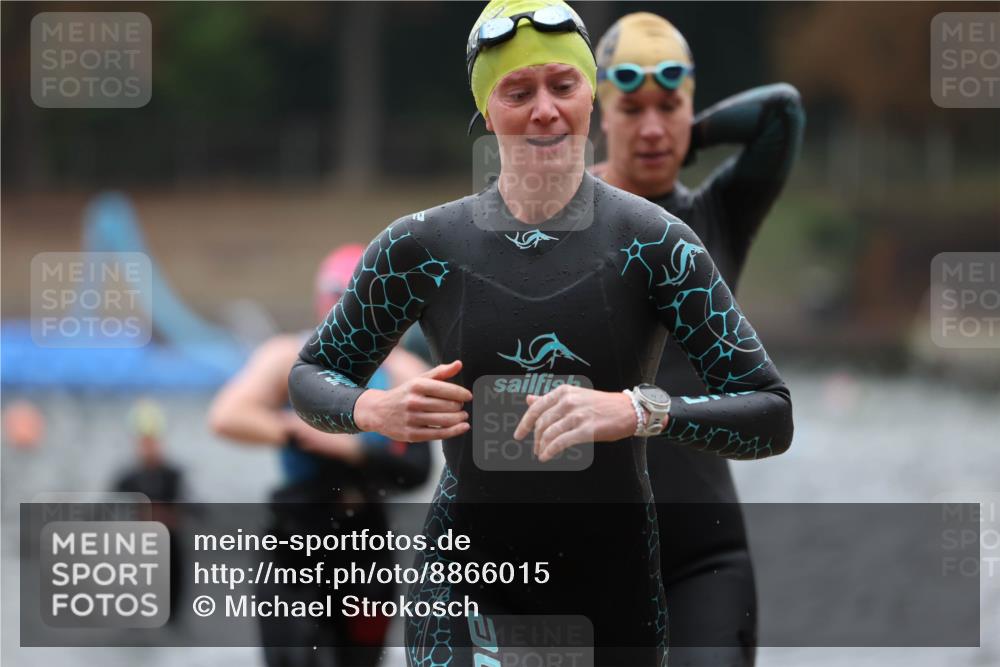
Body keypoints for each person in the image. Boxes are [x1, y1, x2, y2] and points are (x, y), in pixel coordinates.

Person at [288, 2, 794, 666]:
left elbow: (771, 413)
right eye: (517, 91)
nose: (545, 109)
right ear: (486, 110)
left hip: (611, 586)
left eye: (563, 85)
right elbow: (310, 375)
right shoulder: (422, 247)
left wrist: (637, 409)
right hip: (468, 577)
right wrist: (371, 406)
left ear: (590, 99)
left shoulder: (657, 243)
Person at [592, 12, 806, 666]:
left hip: (703, 553)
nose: (653, 127)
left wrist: (688, 134)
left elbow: (782, 111)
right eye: (632, 108)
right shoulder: (560, 218)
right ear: (601, 112)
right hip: (585, 552)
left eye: (670, 106)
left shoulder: (718, 214)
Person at [209, 244, 432, 667]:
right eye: (340, 300)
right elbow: (226, 416)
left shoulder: (403, 370)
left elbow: (416, 472)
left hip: (364, 540)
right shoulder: (286, 356)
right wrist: (297, 430)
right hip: (296, 536)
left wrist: (350, 444)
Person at [113, 398, 185, 623]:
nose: (149, 447)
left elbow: (193, 507)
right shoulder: (127, 478)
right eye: (144, 442)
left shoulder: (174, 475)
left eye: (152, 441)